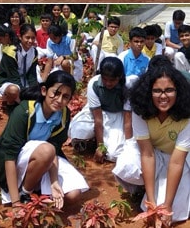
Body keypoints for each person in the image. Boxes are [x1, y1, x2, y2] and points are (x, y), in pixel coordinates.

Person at [0, 71, 88, 208]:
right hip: (14, 162)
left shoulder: (63, 114)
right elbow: (9, 156)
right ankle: (24, 193)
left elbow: (55, 148)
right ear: (44, 90)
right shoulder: (25, 111)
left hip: (44, 159)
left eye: (65, 96)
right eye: (55, 93)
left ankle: (38, 190)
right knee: (46, 150)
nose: (59, 100)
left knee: (73, 195)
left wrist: (54, 181)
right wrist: (15, 202)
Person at [113, 60, 190, 223]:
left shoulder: (186, 116)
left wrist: (167, 205)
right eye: (157, 91)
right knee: (126, 164)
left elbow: (177, 162)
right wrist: (151, 202)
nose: (163, 96)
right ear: (149, 93)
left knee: (175, 211)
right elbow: (147, 155)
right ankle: (144, 190)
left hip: (177, 156)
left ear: (179, 92)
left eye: (169, 90)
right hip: (151, 152)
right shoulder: (140, 110)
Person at [68, 57, 132, 162]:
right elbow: (98, 119)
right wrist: (100, 146)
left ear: (119, 77)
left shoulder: (127, 86)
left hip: (118, 114)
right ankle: (96, 140)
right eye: (105, 79)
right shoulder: (94, 84)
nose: (108, 83)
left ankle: (100, 140)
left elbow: (127, 119)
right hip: (97, 112)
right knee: (79, 131)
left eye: (112, 80)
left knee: (113, 155)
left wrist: (130, 146)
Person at [0, 24, 52, 109]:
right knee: (14, 91)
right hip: (8, 80)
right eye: (27, 37)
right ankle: (10, 104)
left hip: (23, 79)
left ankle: (20, 102)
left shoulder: (34, 52)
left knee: (40, 92)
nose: (30, 41)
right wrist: (24, 96)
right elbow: (13, 77)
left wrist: (34, 92)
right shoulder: (11, 52)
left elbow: (32, 75)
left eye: (33, 38)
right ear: (20, 37)